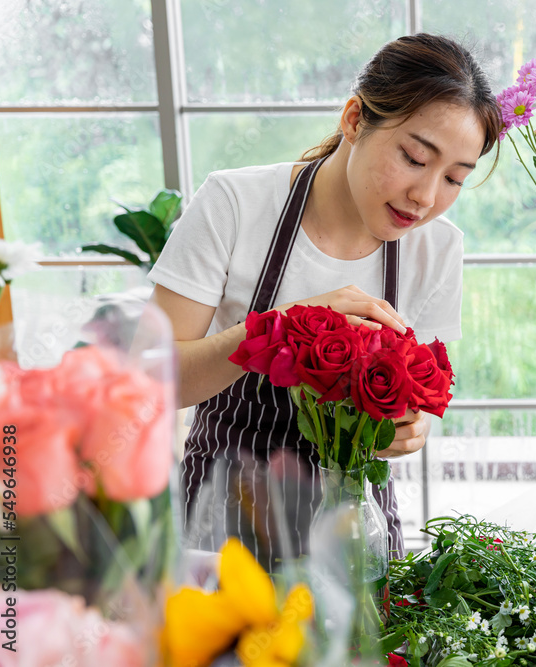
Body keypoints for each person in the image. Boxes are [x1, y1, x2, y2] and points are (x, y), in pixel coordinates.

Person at [148, 33, 501, 560]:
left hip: (355, 541)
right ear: (355, 120)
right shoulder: (235, 204)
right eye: (413, 157)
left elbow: (412, 410)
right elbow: (150, 379)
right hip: (222, 531)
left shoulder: (438, 248)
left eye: (453, 177)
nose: (426, 198)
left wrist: (403, 431)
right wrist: (276, 330)